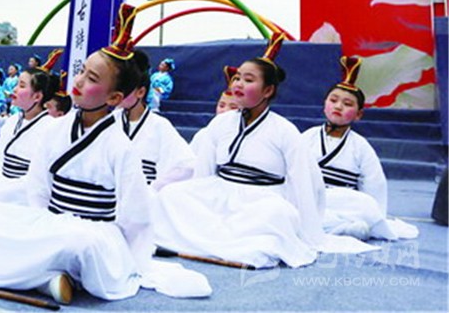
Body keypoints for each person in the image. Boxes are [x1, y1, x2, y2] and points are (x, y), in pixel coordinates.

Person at [0, 4, 211, 304]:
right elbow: (38, 188)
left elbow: (135, 215)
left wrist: (129, 258)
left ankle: (45, 272)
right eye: (81, 71)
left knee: (80, 243)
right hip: (52, 221)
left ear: (115, 97)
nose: (79, 81)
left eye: (92, 79)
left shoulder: (120, 146)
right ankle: (51, 276)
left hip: (93, 232)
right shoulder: (55, 130)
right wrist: (40, 224)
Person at [151, 33, 334, 269]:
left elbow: (302, 181)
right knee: (172, 195)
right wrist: (201, 200)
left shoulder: (285, 131)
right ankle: (212, 239)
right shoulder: (220, 123)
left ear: (267, 91)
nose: (238, 83)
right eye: (237, 77)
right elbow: (203, 173)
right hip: (220, 192)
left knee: (278, 213)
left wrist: (306, 229)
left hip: (262, 199)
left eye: (248, 80)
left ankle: (217, 242)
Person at [302, 56, 419, 241]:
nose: (338, 106)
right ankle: (336, 227)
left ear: (358, 114)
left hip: (344, 203)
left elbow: (374, 185)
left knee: (363, 204)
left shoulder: (361, 146)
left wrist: (374, 214)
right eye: (333, 100)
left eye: (347, 104)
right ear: (324, 105)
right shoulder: (307, 137)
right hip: (312, 198)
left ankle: (336, 226)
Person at [118, 50, 194, 189]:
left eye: (125, 89)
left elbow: (186, 165)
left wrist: (151, 191)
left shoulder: (159, 126)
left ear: (141, 91)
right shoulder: (110, 121)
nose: (118, 94)